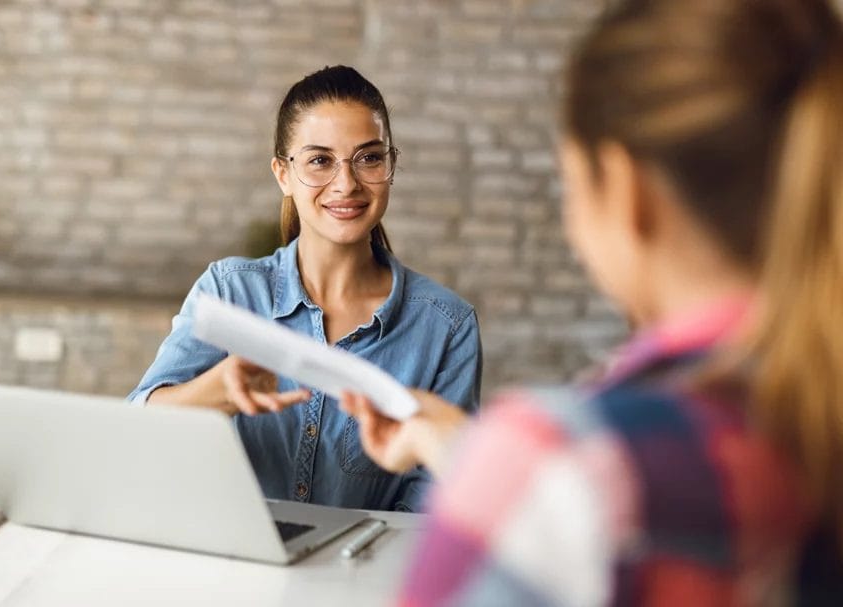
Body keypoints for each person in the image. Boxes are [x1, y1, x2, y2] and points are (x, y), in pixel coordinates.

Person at [341, 0, 843, 603]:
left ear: (627, 190)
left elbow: (569, 495)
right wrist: (460, 446)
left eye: (571, 179)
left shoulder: (557, 462)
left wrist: (503, 468)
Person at [129, 65, 482, 512]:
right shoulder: (228, 291)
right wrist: (217, 389)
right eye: (320, 160)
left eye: (369, 158)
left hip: (361, 576)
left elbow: (435, 505)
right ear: (283, 173)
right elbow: (136, 427)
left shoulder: (447, 327)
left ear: (391, 165)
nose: (346, 183)